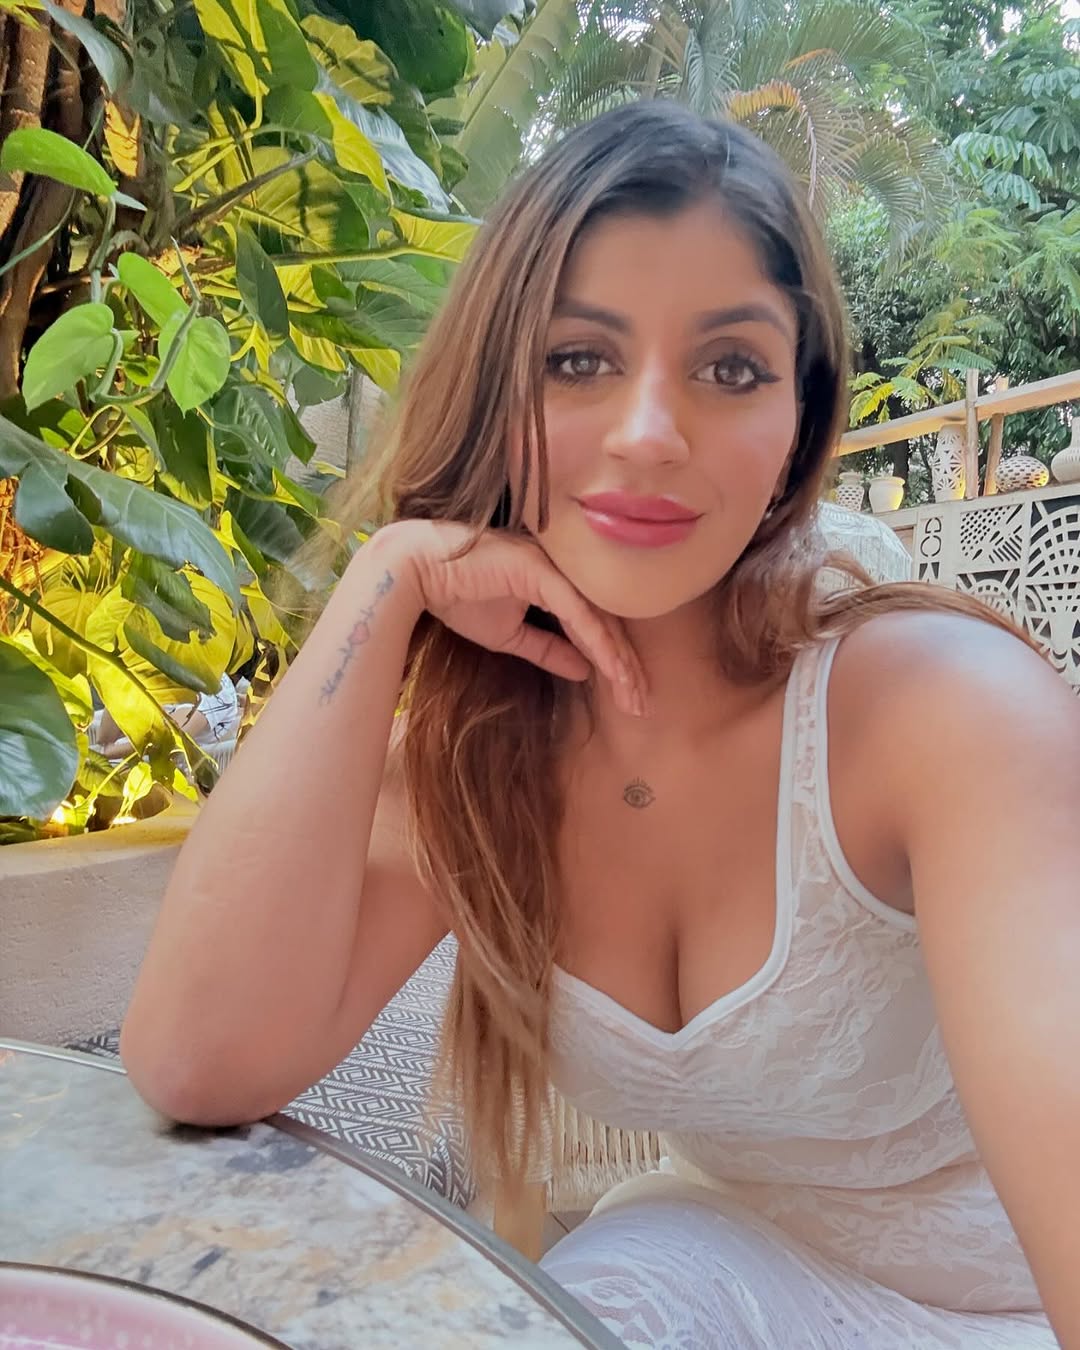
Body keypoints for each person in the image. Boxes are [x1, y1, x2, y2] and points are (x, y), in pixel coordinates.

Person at [120, 104, 1080, 1349]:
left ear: (799, 423)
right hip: (729, 1261)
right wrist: (387, 579)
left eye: (730, 368)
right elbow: (199, 1061)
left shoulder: (941, 711)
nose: (647, 435)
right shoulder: (478, 758)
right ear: (492, 390)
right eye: (577, 359)